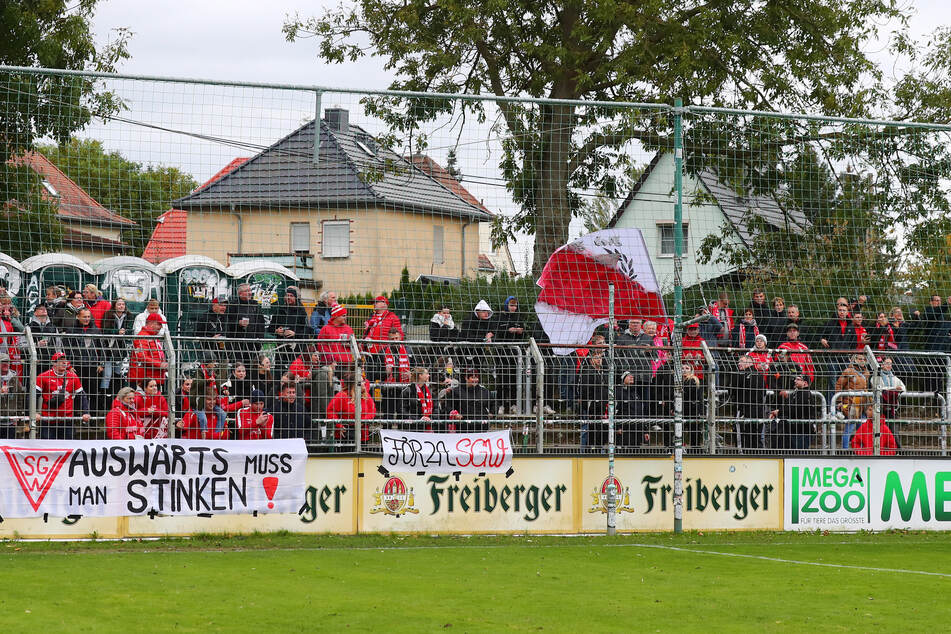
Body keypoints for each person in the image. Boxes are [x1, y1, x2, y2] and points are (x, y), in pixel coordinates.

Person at [34, 351, 90, 439]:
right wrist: (34, 413)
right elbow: (33, 396)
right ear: (54, 363)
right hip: (48, 420)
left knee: (68, 447)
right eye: (60, 360)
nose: (64, 362)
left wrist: (86, 412)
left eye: (65, 360)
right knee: (48, 448)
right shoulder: (43, 376)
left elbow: (82, 396)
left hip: (67, 419)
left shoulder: (73, 377)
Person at [64, 307, 104, 413]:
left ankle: (92, 416)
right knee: (77, 391)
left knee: (93, 392)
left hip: (93, 366)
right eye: (84, 317)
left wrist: (101, 364)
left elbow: (102, 348)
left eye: (88, 317)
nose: (87, 319)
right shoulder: (71, 330)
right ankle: (76, 414)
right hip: (77, 366)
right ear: (78, 317)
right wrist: (69, 366)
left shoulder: (96, 330)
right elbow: (66, 350)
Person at [768, 374, 819, 450]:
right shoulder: (796, 393)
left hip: (802, 431)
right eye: (795, 379)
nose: (795, 381)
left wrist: (779, 412)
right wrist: (779, 411)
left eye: (798, 380)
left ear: (805, 383)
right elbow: (788, 406)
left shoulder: (805, 394)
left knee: (799, 453)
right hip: (795, 430)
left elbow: (795, 409)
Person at [729, 354, 768, 452]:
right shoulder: (759, 375)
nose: (739, 363)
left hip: (743, 411)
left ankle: (742, 456)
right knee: (756, 437)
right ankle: (755, 456)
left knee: (742, 437)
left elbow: (731, 391)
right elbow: (764, 392)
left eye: (741, 361)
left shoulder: (740, 374)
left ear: (750, 362)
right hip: (758, 411)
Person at [327, 371, 377, 444]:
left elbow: (372, 410)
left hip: (362, 434)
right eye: (361, 382)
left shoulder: (366, 396)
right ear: (354, 384)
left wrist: (363, 421)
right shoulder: (342, 396)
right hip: (344, 435)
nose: (364, 383)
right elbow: (331, 411)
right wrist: (339, 425)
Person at [441, 367, 494, 432]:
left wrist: (492, 412)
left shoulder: (484, 391)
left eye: (477, 377)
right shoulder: (456, 391)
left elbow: (493, 403)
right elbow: (448, 405)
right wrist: (455, 414)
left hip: (481, 427)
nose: (475, 380)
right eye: (473, 377)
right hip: (463, 427)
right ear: (466, 378)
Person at [269, 285, 308, 370]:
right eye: (287, 295)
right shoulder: (280, 310)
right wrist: (276, 331)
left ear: (296, 298)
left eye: (291, 296)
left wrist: (295, 333)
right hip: (281, 346)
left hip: (296, 347)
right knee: (279, 369)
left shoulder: (301, 311)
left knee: (294, 370)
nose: (288, 298)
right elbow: (270, 328)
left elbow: (307, 330)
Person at [835, 354, 870, 449]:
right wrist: (839, 401)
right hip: (851, 404)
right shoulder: (848, 371)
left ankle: (861, 449)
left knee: (862, 429)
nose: (862, 361)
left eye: (864, 359)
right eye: (860, 359)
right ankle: (845, 450)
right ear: (854, 360)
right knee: (849, 428)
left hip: (863, 404)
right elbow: (839, 385)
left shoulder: (866, 372)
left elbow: (866, 388)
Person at [100, 298, 132, 398]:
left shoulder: (129, 316)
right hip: (109, 348)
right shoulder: (108, 315)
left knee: (118, 373)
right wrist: (116, 332)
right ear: (114, 306)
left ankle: (116, 394)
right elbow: (105, 330)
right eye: (119, 304)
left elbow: (131, 329)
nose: (121, 306)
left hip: (122, 349)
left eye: (123, 304)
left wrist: (125, 332)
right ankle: (104, 396)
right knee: (107, 374)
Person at [130, 313, 168, 388]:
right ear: (151, 323)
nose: (161, 327)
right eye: (159, 324)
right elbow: (141, 357)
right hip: (143, 378)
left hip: (151, 377)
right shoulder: (143, 336)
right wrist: (160, 364)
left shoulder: (153, 337)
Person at [459, 300, 495, 364]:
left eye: (488, 312)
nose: (486, 314)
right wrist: (484, 338)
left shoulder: (488, 321)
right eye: (484, 311)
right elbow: (467, 336)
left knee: (478, 369)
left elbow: (495, 330)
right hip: (466, 350)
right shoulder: (468, 320)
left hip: (480, 351)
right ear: (477, 311)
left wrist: (491, 334)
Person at [0, 353, 25, 438]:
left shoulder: (14, 379)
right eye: (3, 362)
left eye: (7, 362)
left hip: (10, 421)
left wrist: (18, 416)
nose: (5, 364)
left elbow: (20, 399)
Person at [28, 304, 59, 373]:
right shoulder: (29, 327)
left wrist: (58, 359)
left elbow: (58, 346)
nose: (44, 310)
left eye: (45, 308)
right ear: (35, 313)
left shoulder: (53, 327)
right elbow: (21, 345)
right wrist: (36, 345)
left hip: (50, 363)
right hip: (34, 363)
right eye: (41, 309)